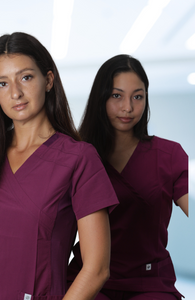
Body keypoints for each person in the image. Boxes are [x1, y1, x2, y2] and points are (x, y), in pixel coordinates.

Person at [0, 32, 119, 300]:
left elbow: (97, 269)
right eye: (2, 83)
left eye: (26, 77)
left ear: (48, 80)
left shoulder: (79, 158)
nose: (15, 92)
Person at [67, 54, 189, 300]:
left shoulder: (169, 155)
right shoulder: (77, 155)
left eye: (138, 96)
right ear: (101, 98)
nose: (128, 108)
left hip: (150, 282)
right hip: (89, 279)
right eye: (116, 96)